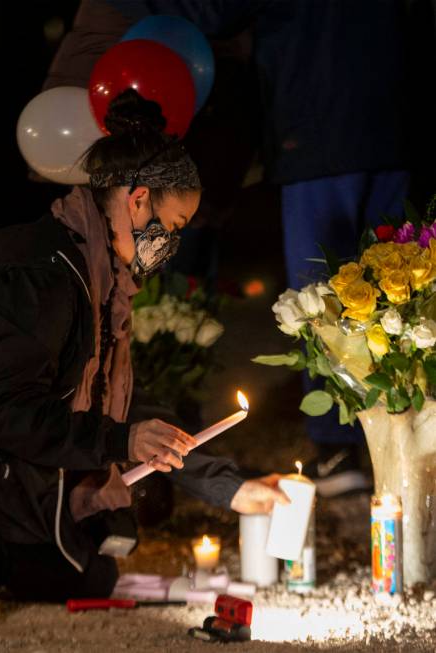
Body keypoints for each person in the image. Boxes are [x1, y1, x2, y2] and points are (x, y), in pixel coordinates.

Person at [0, 90, 286, 632]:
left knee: (98, 545)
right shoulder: (47, 282)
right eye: (174, 226)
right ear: (137, 200)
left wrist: (221, 482)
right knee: (82, 574)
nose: (172, 244)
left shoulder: (86, 264)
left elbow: (115, 404)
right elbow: (6, 415)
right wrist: (118, 441)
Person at [73, 0, 415, 496]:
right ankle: (402, 439)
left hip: (319, 124)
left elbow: (216, 9)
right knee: (394, 286)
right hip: (394, 119)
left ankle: (339, 446)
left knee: (322, 295)